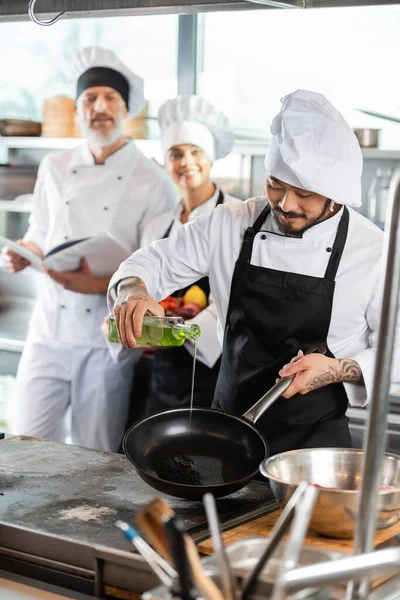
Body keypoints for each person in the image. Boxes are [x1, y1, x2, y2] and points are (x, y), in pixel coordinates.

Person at [108, 89, 398, 456]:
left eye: (304, 192)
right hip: (225, 436)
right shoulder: (230, 223)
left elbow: (395, 350)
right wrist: (133, 291)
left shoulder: (373, 251)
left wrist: (340, 368)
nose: (285, 204)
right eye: (276, 184)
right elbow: (149, 263)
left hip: (312, 452)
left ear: (336, 193)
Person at [1, 46, 176, 452]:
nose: (100, 106)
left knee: (93, 457)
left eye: (110, 97)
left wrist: (93, 285)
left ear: (125, 108)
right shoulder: (55, 167)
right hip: (47, 331)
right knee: (24, 449)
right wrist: (20, 253)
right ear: (78, 110)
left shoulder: (153, 180)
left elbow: (156, 270)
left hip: (106, 339)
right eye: (89, 98)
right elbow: (39, 232)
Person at [138, 95, 240, 414]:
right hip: (166, 370)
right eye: (176, 154)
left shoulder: (237, 217)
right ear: (165, 162)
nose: (186, 162)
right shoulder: (157, 225)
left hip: (219, 364)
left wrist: (180, 331)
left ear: (210, 158)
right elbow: (147, 287)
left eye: (196, 152)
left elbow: (241, 297)